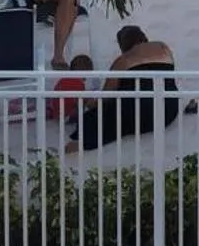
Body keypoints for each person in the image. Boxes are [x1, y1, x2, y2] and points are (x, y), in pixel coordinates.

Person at [66, 25, 180, 154]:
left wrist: (89, 102)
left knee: (96, 117)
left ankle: (80, 144)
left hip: (137, 113)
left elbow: (106, 96)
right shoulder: (162, 47)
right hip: (167, 111)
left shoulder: (123, 60)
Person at [46, 53, 93, 122]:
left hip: (56, 113)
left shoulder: (62, 80)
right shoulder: (79, 84)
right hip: (68, 114)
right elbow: (80, 102)